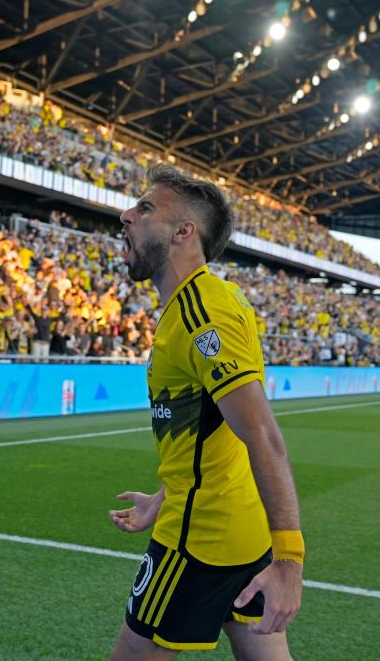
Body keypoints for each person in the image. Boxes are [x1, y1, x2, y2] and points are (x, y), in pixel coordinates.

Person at [109, 165, 303, 659]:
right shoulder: (197, 305)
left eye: (146, 207)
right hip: (240, 528)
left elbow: (262, 435)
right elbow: (210, 432)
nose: (126, 214)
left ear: (183, 232)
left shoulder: (202, 312)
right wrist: (162, 497)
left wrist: (290, 562)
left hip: (199, 540)